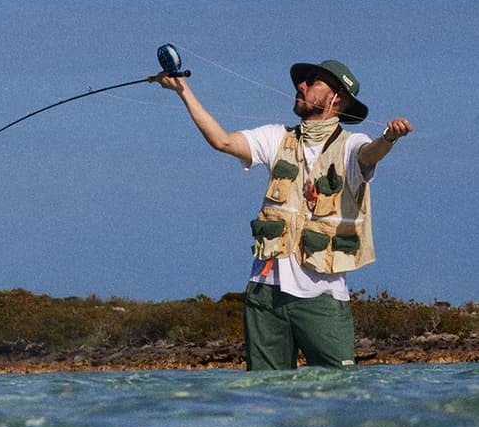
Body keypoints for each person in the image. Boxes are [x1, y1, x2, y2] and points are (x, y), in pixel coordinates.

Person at [157, 60, 412, 370]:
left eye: (313, 82)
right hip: (265, 294)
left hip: (322, 297)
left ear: (336, 100)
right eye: (302, 81)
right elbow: (221, 141)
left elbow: (369, 154)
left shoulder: (351, 145)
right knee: (265, 396)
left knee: (339, 393)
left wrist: (389, 139)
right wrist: (183, 91)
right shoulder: (277, 137)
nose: (300, 86)